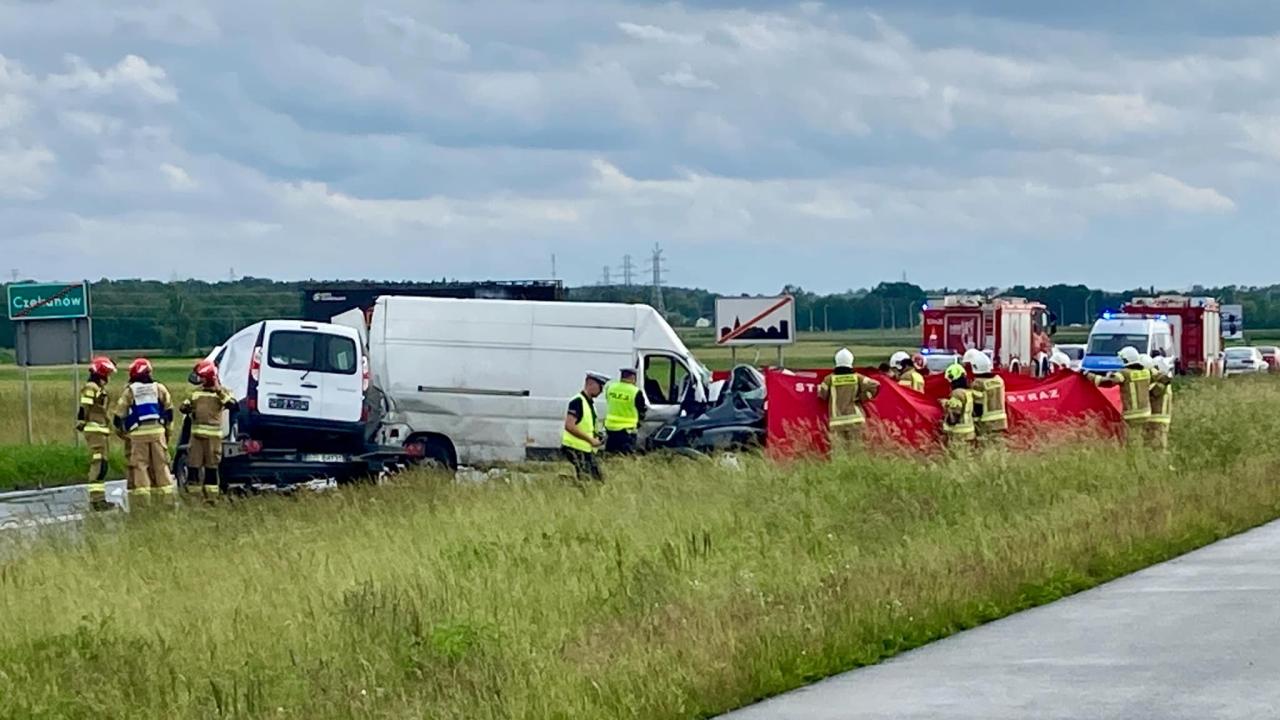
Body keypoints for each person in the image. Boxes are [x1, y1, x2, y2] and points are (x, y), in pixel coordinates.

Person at [112, 358, 176, 504]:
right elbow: (169, 412)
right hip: (158, 433)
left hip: (137, 435)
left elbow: (118, 416)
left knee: (140, 466)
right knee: (161, 466)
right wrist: (167, 433)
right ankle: (166, 501)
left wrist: (124, 434)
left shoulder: (130, 391)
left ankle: (143, 502)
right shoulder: (159, 388)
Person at [180, 359, 238, 499]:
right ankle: (194, 498)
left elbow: (233, 406)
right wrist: (186, 407)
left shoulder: (222, 393)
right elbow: (183, 407)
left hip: (213, 439)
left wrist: (218, 391)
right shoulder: (196, 393)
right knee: (193, 467)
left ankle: (211, 499)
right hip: (196, 439)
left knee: (211, 469)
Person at [817, 348, 880, 450]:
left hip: (836, 421)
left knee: (839, 454)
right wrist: (862, 398)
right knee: (857, 452)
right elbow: (875, 385)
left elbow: (822, 395)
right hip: (856, 419)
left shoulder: (829, 379)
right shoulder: (857, 378)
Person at [78, 356, 117, 507]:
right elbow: (84, 407)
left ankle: (100, 499)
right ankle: (96, 501)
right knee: (99, 464)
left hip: (100, 431)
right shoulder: (91, 388)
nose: (108, 378)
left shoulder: (98, 389)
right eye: (107, 374)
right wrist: (81, 421)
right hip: (95, 431)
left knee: (103, 465)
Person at [1092, 346, 1152, 444]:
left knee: (1129, 441)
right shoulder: (1146, 372)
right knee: (1140, 438)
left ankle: (1131, 457)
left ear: (1126, 359)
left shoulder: (1124, 373)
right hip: (1146, 413)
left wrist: (1090, 377)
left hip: (1132, 415)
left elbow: (1109, 382)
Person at [562, 372, 608, 481]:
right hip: (575, 448)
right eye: (600, 387)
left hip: (584, 448)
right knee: (589, 480)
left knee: (596, 479)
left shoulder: (589, 403)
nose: (601, 391)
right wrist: (590, 440)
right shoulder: (577, 402)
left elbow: (586, 425)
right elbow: (569, 425)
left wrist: (597, 436)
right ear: (590, 383)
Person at [603, 368, 648, 454]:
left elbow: (609, 401)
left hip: (610, 428)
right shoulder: (635, 391)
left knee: (610, 454)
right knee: (626, 456)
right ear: (632, 377)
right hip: (627, 430)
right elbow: (642, 410)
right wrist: (640, 421)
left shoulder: (610, 387)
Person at [969, 351, 1008, 443]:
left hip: (986, 423)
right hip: (1001, 422)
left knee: (986, 448)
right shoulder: (999, 381)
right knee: (998, 447)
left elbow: (977, 405)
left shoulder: (978, 384)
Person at [941, 363, 976, 451]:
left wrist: (946, 405)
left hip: (959, 436)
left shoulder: (957, 393)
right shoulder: (968, 392)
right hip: (970, 433)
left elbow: (954, 416)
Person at [1145, 355, 1174, 453]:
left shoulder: (1160, 384)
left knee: (1158, 446)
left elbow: (1152, 393)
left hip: (1158, 418)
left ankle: (1161, 464)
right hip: (1161, 418)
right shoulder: (1164, 382)